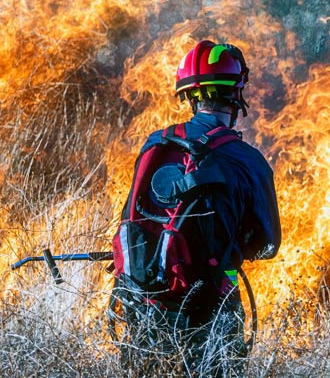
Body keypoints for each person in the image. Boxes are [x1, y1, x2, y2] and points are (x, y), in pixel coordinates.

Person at [112, 40, 281, 366]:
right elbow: (268, 245)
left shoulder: (156, 144)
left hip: (144, 310)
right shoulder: (247, 160)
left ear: (190, 96)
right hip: (211, 313)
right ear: (235, 95)